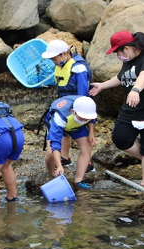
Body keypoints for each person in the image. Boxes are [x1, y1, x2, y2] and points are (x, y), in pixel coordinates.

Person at [89, 31, 144, 188]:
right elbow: (122, 77)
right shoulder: (129, 60)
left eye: (117, 52)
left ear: (126, 48)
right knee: (121, 138)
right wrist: (102, 85)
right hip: (131, 111)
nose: (118, 55)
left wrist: (135, 90)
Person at [41, 40, 94, 171]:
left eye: (54, 58)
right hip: (63, 104)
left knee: (81, 131)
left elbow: (83, 94)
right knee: (64, 131)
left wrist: (88, 122)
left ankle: (88, 162)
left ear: (64, 54)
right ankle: (65, 157)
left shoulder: (78, 68)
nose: (54, 61)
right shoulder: (59, 66)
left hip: (79, 105)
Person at [44, 95, 97, 188]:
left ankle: (78, 180)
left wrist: (91, 133)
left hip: (76, 126)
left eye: (86, 118)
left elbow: (91, 119)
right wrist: (59, 165)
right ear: (73, 112)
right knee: (50, 153)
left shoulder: (88, 108)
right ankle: (52, 174)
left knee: (87, 147)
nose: (84, 119)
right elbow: (55, 143)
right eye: (82, 117)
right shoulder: (59, 117)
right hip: (62, 123)